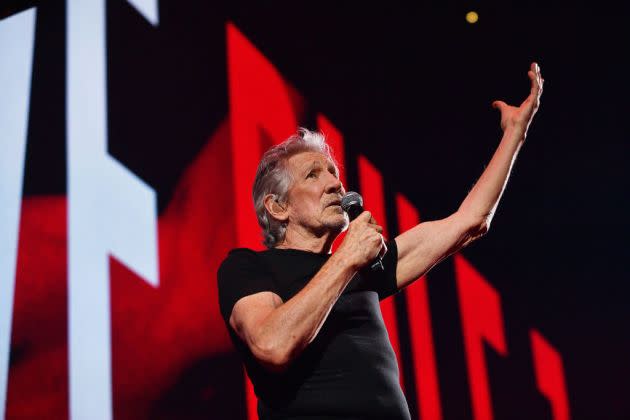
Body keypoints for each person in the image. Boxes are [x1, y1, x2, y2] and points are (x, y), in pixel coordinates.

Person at [217, 63, 544, 419]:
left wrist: (515, 133)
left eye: (334, 174)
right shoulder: (247, 267)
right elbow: (272, 345)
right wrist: (346, 260)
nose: (335, 185)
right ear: (278, 207)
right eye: (313, 175)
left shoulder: (364, 267)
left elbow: (470, 221)